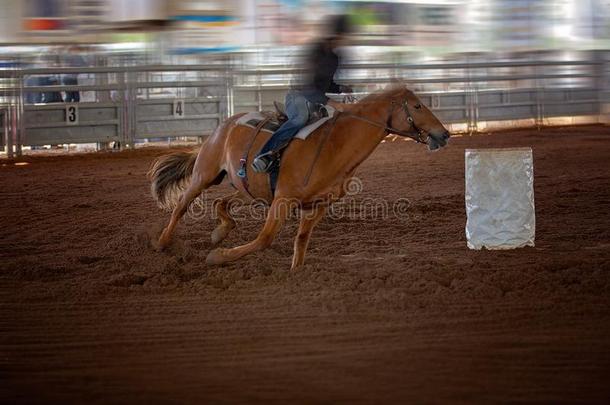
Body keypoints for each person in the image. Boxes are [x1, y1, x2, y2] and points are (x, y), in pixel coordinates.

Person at [251, 14, 353, 173]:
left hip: (317, 100)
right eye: (345, 36)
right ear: (337, 35)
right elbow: (308, 86)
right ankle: (263, 155)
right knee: (300, 119)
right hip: (298, 95)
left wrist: (341, 88)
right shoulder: (314, 51)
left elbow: (327, 84)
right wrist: (334, 103)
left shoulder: (334, 57)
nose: (346, 40)